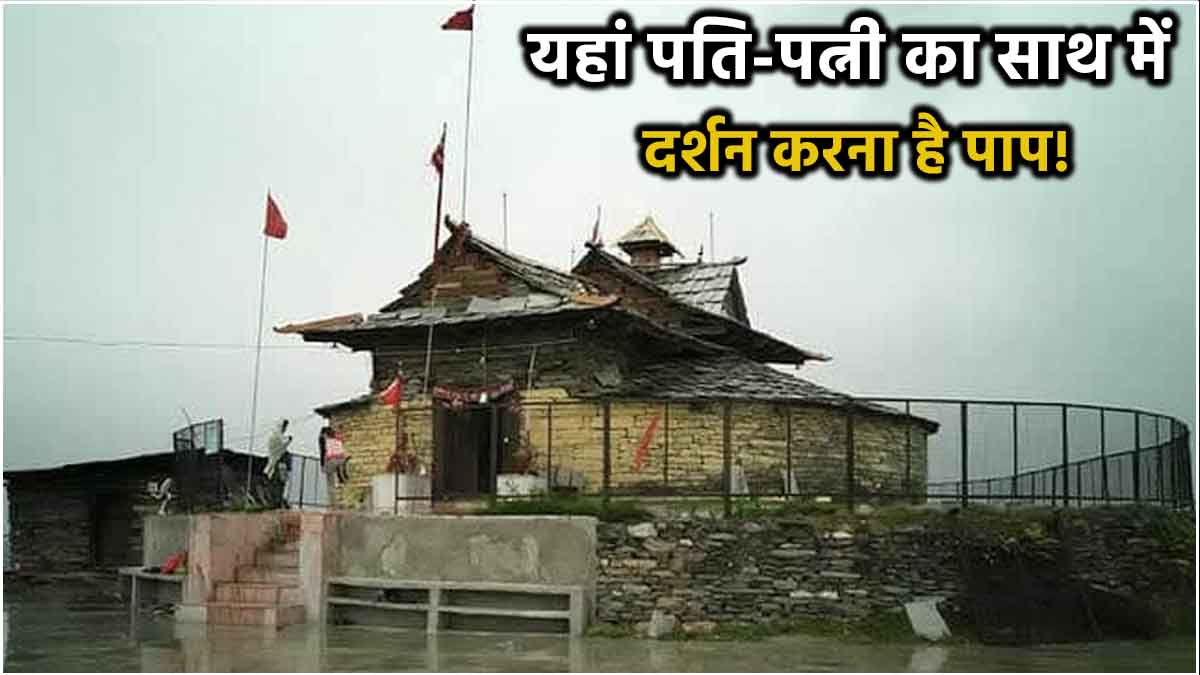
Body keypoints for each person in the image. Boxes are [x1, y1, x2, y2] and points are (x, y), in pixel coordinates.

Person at [264, 419, 293, 507]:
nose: (285, 429)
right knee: (277, 483)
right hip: (278, 463)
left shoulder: (278, 436)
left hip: (279, 463)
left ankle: (277, 501)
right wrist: (289, 440)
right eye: (284, 426)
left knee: (280, 483)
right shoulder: (276, 436)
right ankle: (275, 501)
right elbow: (281, 446)